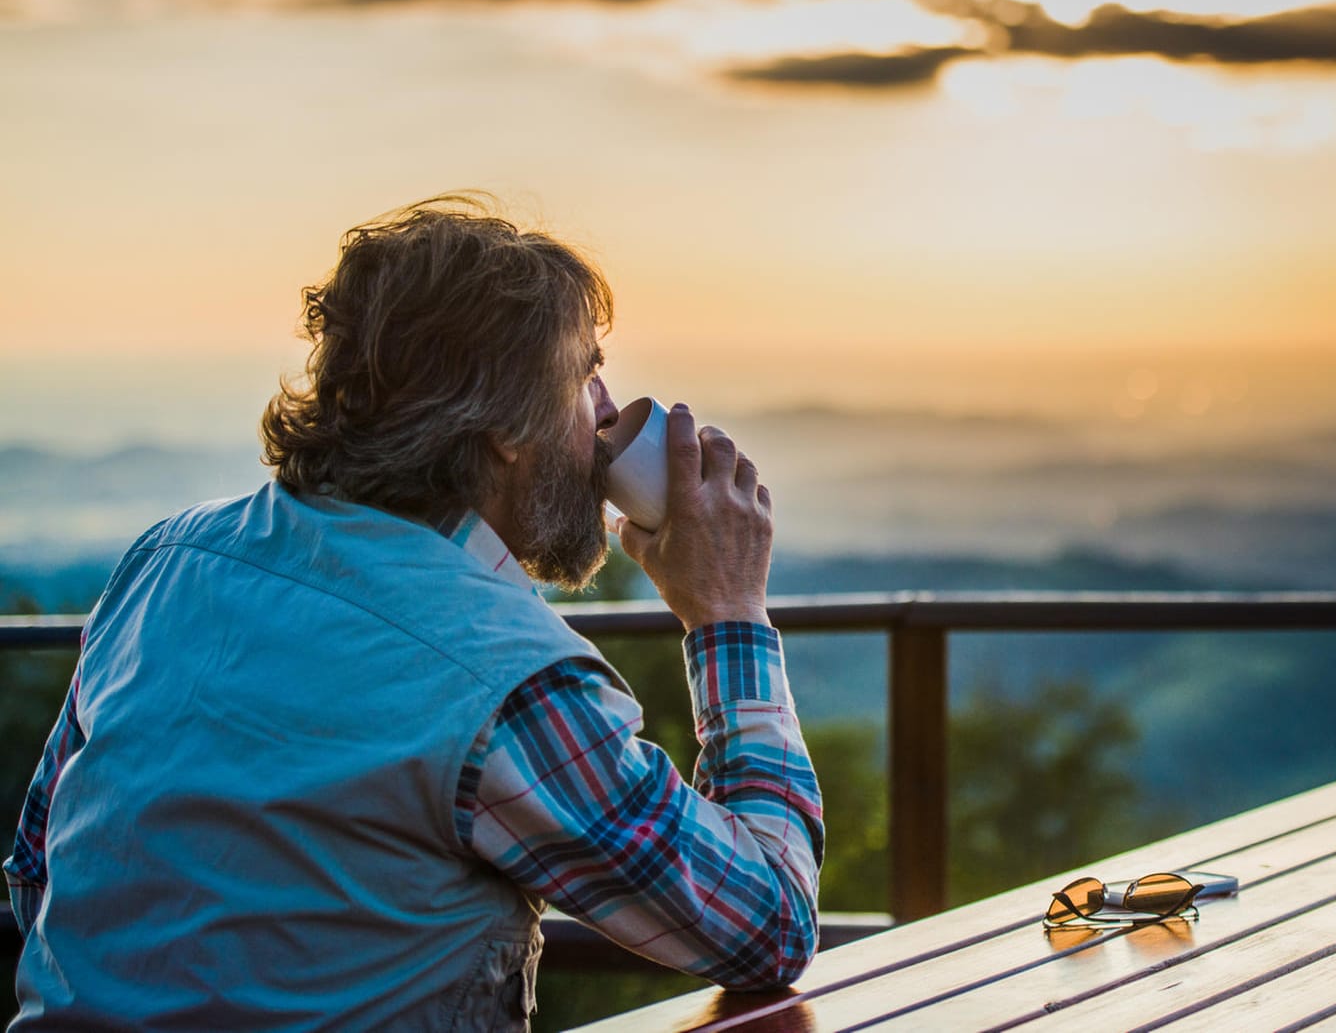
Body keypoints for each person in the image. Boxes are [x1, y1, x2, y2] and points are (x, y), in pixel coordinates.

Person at [4, 196, 824, 1029]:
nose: (609, 413)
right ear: (506, 419)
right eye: (585, 373)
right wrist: (727, 615)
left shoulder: (167, 561)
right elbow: (769, 927)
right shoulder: (506, 680)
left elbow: (43, 868)